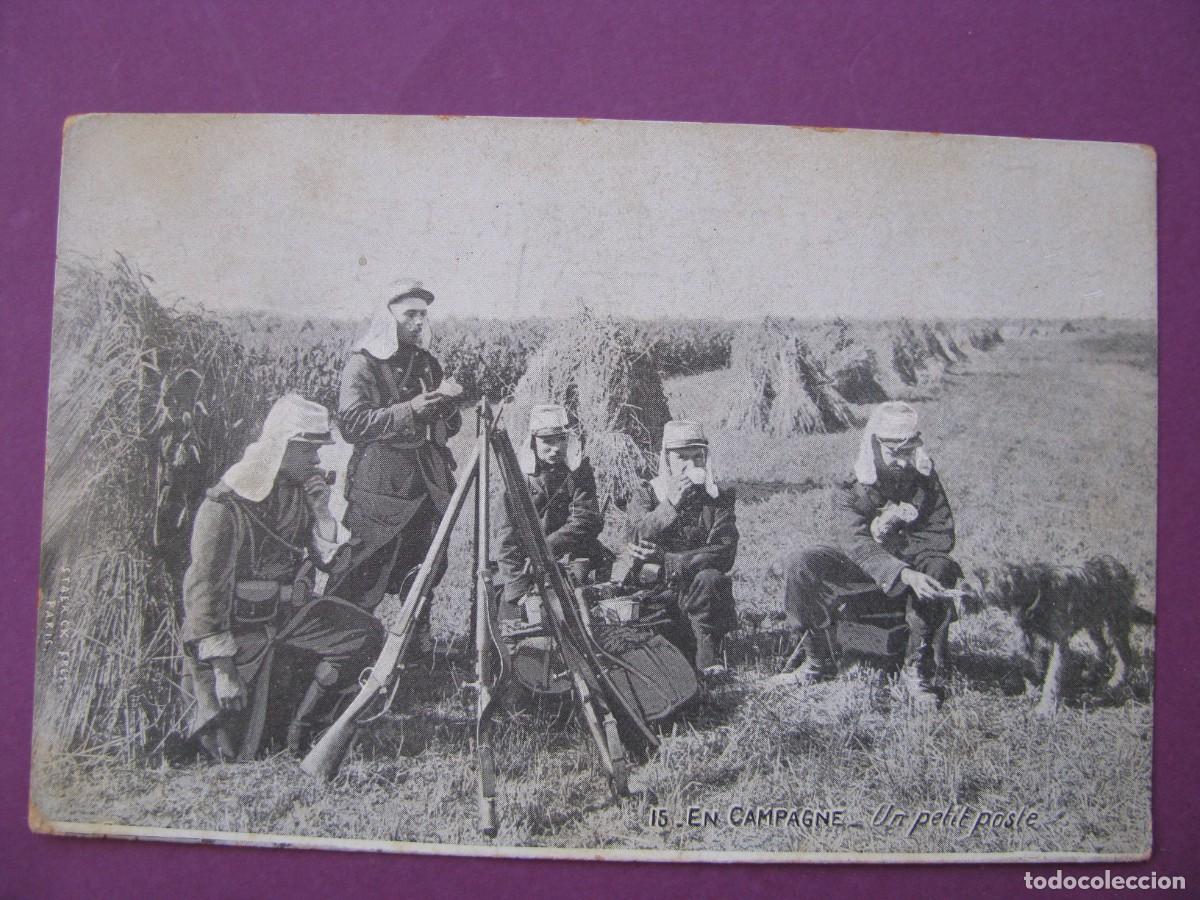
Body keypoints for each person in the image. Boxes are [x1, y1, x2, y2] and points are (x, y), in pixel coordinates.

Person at [179, 395, 384, 761]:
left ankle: (304, 730)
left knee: (362, 634)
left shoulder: (298, 493)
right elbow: (204, 595)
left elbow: (332, 564)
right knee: (234, 744)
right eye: (309, 451)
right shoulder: (223, 507)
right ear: (283, 447)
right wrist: (224, 671)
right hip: (238, 632)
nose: (316, 461)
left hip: (287, 618)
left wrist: (322, 513)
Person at [771, 401, 960, 695]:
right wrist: (899, 570)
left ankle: (917, 670)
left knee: (941, 565)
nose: (902, 462)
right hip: (862, 576)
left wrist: (904, 557)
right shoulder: (851, 484)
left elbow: (941, 535)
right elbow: (855, 543)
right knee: (802, 562)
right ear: (874, 446)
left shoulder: (924, 479)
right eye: (894, 453)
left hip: (914, 582)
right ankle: (817, 660)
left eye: (908, 452)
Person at [331, 283, 462, 633]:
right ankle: (347, 647)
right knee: (364, 570)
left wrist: (448, 406)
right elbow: (352, 424)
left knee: (424, 568)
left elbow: (451, 426)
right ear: (388, 318)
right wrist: (410, 410)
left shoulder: (427, 363)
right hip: (381, 488)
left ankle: (415, 645)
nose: (419, 322)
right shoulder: (362, 364)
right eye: (410, 315)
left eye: (423, 315)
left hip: (427, 484)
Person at [625, 420, 739, 676]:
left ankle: (707, 657)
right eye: (681, 457)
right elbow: (634, 537)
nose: (691, 465)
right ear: (667, 459)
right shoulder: (648, 492)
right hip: (656, 587)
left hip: (698, 589)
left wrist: (668, 559)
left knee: (711, 578)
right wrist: (670, 506)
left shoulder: (718, 497)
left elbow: (723, 551)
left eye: (697, 456)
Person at [495, 403, 612, 629]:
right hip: (527, 565)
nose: (555, 448)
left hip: (571, 556)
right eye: (547, 441)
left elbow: (585, 519)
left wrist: (545, 548)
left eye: (561, 439)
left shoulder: (578, 470)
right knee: (517, 625)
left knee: (584, 613)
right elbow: (506, 539)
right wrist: (518, 588)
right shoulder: (518, 478)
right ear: (534, 442)